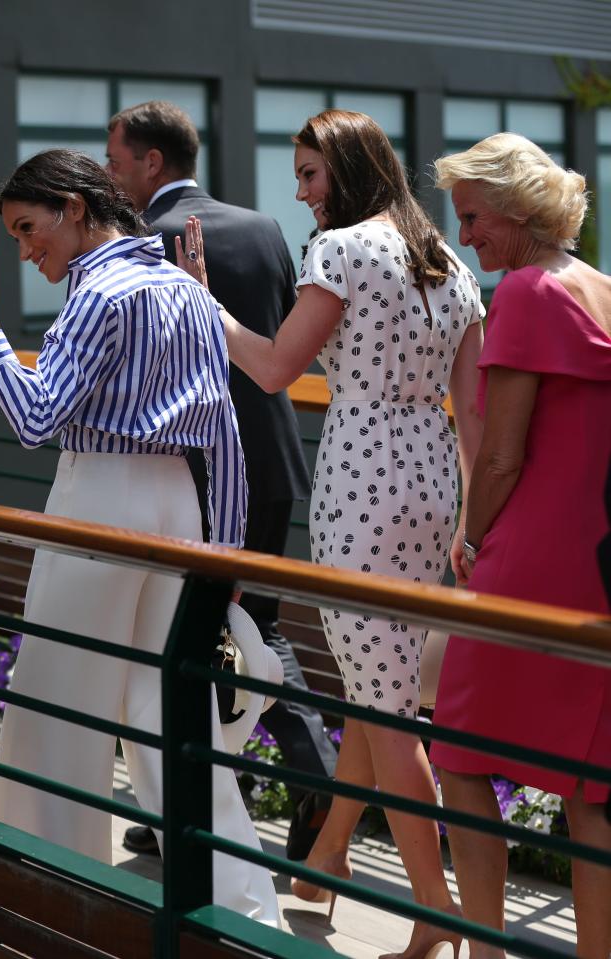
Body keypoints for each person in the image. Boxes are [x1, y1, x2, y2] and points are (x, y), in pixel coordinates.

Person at [179, 109, 485, 959]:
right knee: (376, 687)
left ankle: (434, 912)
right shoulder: (450, 264)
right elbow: (475, 416)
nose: (300, 190)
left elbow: (274, 367)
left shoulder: (341, 249)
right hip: (430, 484)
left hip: (362, 484)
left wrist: (206, 303)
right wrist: (471, 518)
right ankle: (322, 861)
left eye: (310, 174)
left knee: (386, 710)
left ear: (346, 172)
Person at [0, 148, 279, 925]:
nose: (28, 250)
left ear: (73, 206)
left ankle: (43, 891)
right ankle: (240, 912)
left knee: (58, 703)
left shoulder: (98, 293)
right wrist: (223, 554)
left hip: (99, 497)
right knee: (173, 718)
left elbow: (35, 419)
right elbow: (223, 437)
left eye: (31, 229)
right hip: (180, 511)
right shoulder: (186, 290)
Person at [106, 100, 338, 860]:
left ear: (150, 162)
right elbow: (273, 340)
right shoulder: (264, 227)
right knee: (255, 625)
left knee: (187, 638)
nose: (110, 176)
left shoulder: (143, 241)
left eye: (115, 162)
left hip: (199, 466)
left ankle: (215, 806)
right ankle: (273, 783)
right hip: (270, 458)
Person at [431, 133, 611, 959]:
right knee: (587, 783)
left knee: (460, 747)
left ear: (514, 208)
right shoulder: (601, 288)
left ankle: (484, 949)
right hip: (596, 557)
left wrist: (468, 541)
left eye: (471, 218)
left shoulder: (527, 293)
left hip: (528, 557)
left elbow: (501, 456)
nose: (464, 237)